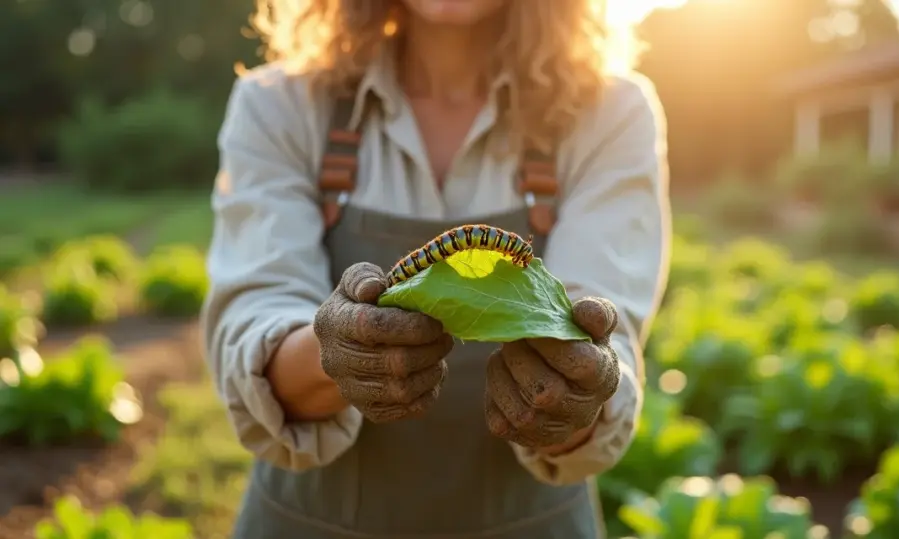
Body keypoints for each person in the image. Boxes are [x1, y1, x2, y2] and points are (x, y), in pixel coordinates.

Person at [201, 0, 670, 537]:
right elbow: (255, 313)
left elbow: (608, 339)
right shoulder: (278, 104)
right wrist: (336, 354)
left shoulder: (612, 112)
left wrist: (576, 388)